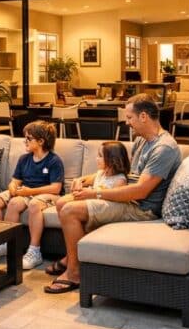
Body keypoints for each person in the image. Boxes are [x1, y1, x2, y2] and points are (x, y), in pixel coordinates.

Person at [45, 93, 181, 294]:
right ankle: (72, 257)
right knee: (60, 203)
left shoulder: (164, 148)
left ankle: (75, 272)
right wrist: (86, 180)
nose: (127, 123)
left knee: (69, 211)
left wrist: (95, 194)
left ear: (143, 116)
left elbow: (141, 191)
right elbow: (122, 174)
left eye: (129, 118)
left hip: (142, 208)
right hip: (128, 198)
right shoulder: (142, 141)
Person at [0, 121, 64, 269]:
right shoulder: (24, 159)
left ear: (40, 141)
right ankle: (2, 243)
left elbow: (56, 188)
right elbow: (15, 181)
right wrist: (13, 187)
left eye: (28, 138)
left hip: (45, 193)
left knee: (24, 204)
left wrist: (28, 192)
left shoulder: (54, 160)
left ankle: (34, 251)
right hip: (25, 191)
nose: (24, 141)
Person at [44, 141, 130, 276]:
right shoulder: (101, 173)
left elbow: (113, 198)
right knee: (60, 203)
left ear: (112, 160)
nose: (97, 158)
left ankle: (72, 259)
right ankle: (71, 254)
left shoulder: (120, 179)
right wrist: (79, 181)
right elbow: (87, 180)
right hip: (90, 198)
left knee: (66, 206)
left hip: (100, 206)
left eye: (100, 156)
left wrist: (90, 193)